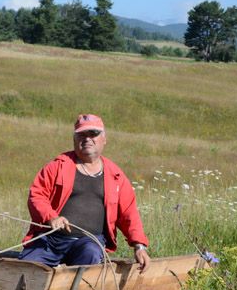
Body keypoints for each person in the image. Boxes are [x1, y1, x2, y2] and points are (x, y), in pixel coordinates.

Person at [19, 114, 151, 273]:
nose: (87, 139)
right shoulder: (57, 166)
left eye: (93, 134)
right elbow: (37, 195)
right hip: (51, 240)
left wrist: (139, 246)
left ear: (104, 139)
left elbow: (129, 213)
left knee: (90, 257)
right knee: (26, 268)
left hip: (88, 242)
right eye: (82, 134)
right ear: (74, 139)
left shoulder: (115, 176)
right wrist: (51, 217)